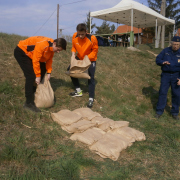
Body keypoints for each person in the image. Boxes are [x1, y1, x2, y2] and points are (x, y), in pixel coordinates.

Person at [14, 36, 67, 112]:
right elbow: (36, 60)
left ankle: (33, 91)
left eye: (60, 51)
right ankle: (28, 103)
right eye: (58, 50)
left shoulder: (52, 46)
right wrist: (38, 76)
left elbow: (49, 60)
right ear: (54, 44)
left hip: (31, 54)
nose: (58, 52)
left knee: (43, 68)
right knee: (31, 76)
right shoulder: (43, 44)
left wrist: (49, 72)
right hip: (22, 52)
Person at [69, 23, 98, 108]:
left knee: (90, 77)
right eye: (79, 34)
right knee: (71, 70)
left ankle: (91, 99)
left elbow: (95, 51)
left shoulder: (92, 38)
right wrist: (73, 54)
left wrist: (86, 58)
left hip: (90, 59)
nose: (80, 36)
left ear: (86, 32)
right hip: (79, 57)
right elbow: (74, 46)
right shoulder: (75, 36)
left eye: (82, 34)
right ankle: (78, 91)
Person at [155, 36, 180, 120]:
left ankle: (175, 112)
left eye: (177, 44)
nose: (176, 46)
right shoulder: (165, 51)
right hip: (166, 75)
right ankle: (159, 111)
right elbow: (157, 59)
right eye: (174, 44)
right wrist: (163, 62)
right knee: (162, 93)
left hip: (176, 76)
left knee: (176, 94)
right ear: (171, 44)